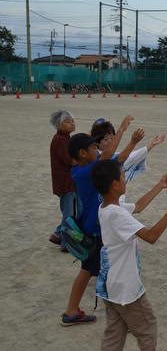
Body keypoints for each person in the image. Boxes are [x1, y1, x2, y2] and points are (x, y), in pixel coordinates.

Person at [92, 159, 167, 351]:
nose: (125, 180)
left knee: (115, 332)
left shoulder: (107, 206)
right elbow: (151, 236)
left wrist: (160, 185)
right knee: (147, 328)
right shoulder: (116, 214)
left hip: (111, 286)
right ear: (114, 185)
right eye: (122, 177)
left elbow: (137, 206)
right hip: (126, 288)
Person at [61, 116, 142, 326]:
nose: (96, 150)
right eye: (92, 148)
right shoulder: (85, 172)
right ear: (82, 153)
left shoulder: (86, 169)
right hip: (96, 231)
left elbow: (115, 161)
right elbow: (107, 157)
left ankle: (71, 311)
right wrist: (122, 129)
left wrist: (132, 143)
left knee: (87, 271)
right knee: (109, 273)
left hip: (93, 228)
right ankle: (124, 317)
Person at [91, 119, 165, 183]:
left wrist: (152, 144)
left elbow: (132, 156)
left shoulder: (114, 155)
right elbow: (119, 160)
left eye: (112, 138)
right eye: (106, 139)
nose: (111, 142)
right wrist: (132, 141)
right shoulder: (95, 159)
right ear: (96, 143)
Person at [49, 110, 77, 250]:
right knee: (69, 213)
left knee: (71, 211)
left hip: (68, 182)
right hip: (66, 183)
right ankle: (66, 243)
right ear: (59, 125)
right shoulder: (60, 140)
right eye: (68, 121)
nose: (72, 124)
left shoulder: (66, 138)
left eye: (72, 121)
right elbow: (70, 161)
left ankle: (57, 234)